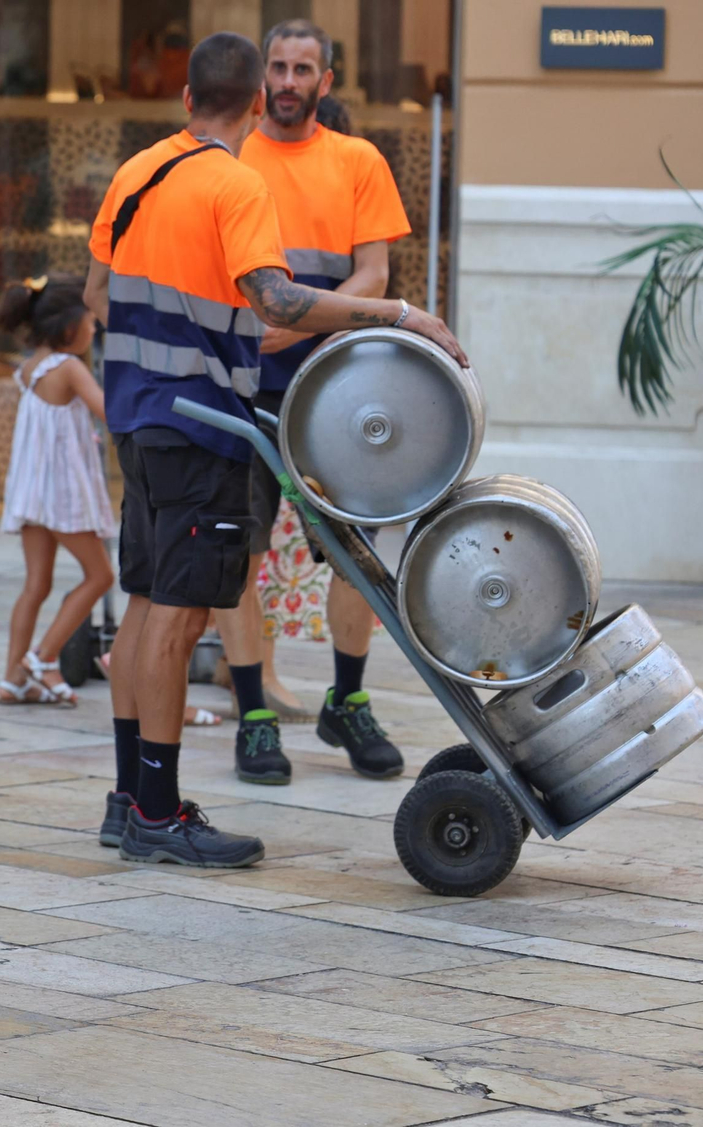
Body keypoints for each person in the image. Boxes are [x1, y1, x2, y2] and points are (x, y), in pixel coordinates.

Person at [84, 32, 464, 868]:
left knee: (146, 605)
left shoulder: (136, 171)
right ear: (256, 102)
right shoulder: (237, 182)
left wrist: (159, 351)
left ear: (187, 100)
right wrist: (401, 314)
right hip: (203, 426)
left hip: (139, 418)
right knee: (178, 623)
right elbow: (277, 299)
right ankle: (156, 811)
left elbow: (96, 293)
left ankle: (127, 800)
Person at [218, 19, 415, 787]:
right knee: (241, 550)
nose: (290, 81)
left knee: (354, 558)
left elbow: (374, 274)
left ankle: (349, 699)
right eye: (278, 67)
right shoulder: (232, 156)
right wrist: (260, 326)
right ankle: (254, 716)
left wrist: (294, 316)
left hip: (334, 390)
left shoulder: (359, 160)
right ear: (261, 77)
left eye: (305, 68)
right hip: (243, 385)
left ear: (327, 81)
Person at [0, 274, 117, 707]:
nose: (95, 330)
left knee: (36, 584)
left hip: (32, 492)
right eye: (91, 323)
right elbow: (108, 411)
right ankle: (44, 658)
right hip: (61, 494)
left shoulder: (30, 367)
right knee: (101, 576)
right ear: (69, 327)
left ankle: (12, 677)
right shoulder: (69, 368)